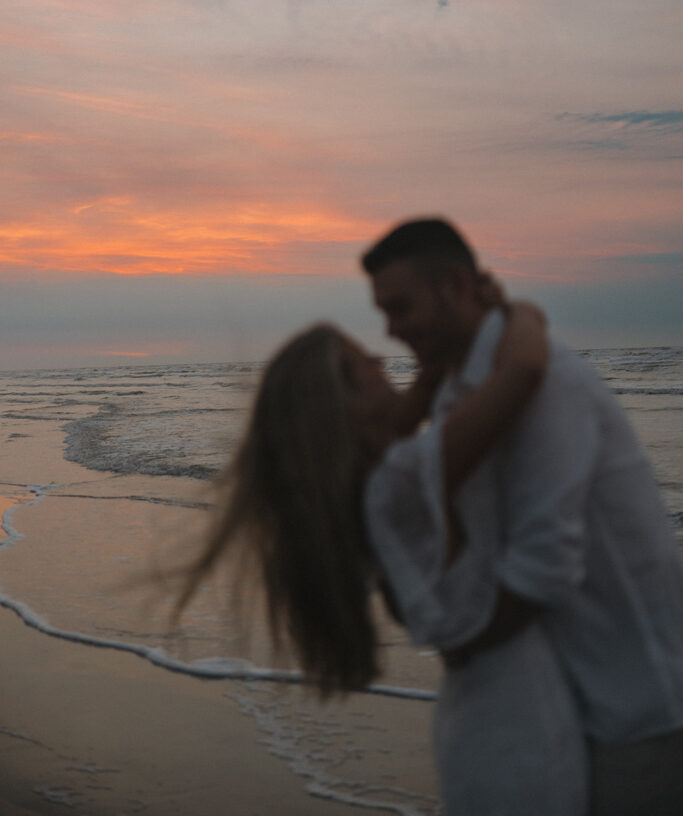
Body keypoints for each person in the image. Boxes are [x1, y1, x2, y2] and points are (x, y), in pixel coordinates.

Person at [177, 306, 589, 815]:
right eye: (361, 360)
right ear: (346, 402)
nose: (379, 356)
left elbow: (411, 402)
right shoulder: (401, 480)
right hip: (519, 738)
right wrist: (517, 312)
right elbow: (523, 371)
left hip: (493, 724)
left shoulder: (374, 486)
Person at [361, 217, 683, 816]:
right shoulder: (473, 390)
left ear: (456, 285)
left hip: (635, 703)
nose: (391, 331)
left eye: (401, 308)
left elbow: (544, 566)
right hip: (572, 700)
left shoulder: (547, 384)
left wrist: (463, 646)